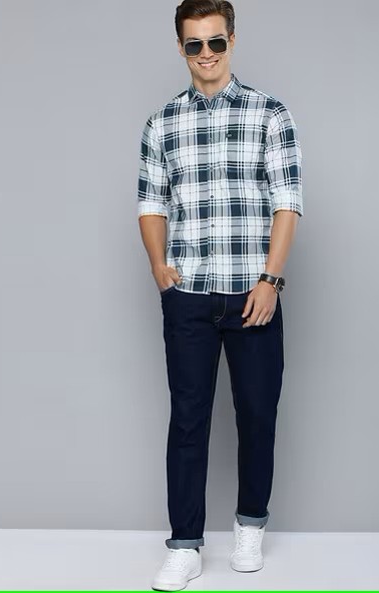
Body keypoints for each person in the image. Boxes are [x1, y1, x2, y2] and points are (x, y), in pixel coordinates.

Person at [137, 0, 303, 590]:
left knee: (257, 414)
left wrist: (271, 280)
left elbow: (287, 201)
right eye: (194, 44)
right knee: (188, 420)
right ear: (181, 48)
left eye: (215, 42)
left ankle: (251, 523)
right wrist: (159, 268)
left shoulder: (270, 114)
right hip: (188, 297)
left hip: (253, 294)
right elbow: (151, 202)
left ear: (231, 41)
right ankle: (184, 545)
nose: (205, 54)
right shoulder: (162, 123)